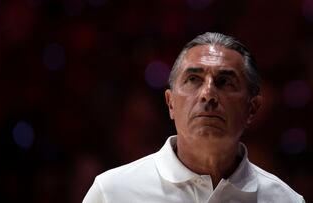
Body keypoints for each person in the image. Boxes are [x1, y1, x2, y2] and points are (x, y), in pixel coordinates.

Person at [82, 32, 305, 203]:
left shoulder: (285, 199)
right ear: (171, 103)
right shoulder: (112, 193)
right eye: (193, 79)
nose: (208, 93)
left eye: (225, 81)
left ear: (252, 108)